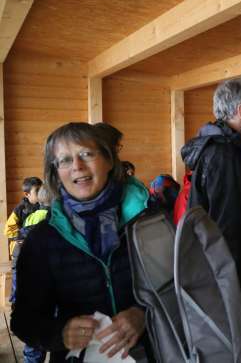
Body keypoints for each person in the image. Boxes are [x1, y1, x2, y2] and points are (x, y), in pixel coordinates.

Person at [11, 122, 153, 362]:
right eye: (64, 160)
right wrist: (61, 334)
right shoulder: (43, 240)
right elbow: (24, 321)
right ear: (55, 173)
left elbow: (180, 293)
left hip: (151, 352)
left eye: (87, 154)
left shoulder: (147, 222)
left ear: (109, 161)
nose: (77, 166)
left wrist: (144, 316)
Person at [182, 77, 241, 362]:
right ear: (240, 110)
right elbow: (229, 236)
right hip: (237, 289)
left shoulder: (237, 146)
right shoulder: (223, 155)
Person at [5, 177, 44, 363]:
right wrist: (19, 235)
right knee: (17, 285)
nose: (40, 194)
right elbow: (8, 230)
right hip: (19, 253)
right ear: (27, 194)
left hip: (32, 252)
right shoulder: (21, 208)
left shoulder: (42, 209)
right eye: (37, 192)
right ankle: (15, 315)